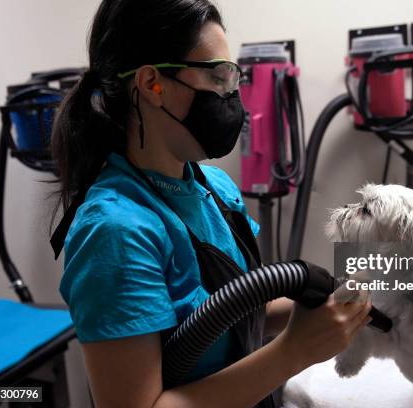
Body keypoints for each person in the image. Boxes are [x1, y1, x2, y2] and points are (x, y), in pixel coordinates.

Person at [50, 1, 372, 407]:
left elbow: (241, 305)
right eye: (218, 76)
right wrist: (294, 351)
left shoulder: (214, 187)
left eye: (233, 78)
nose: (231, 96)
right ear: (152, 84)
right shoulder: (115, 232)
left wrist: (333, 305)